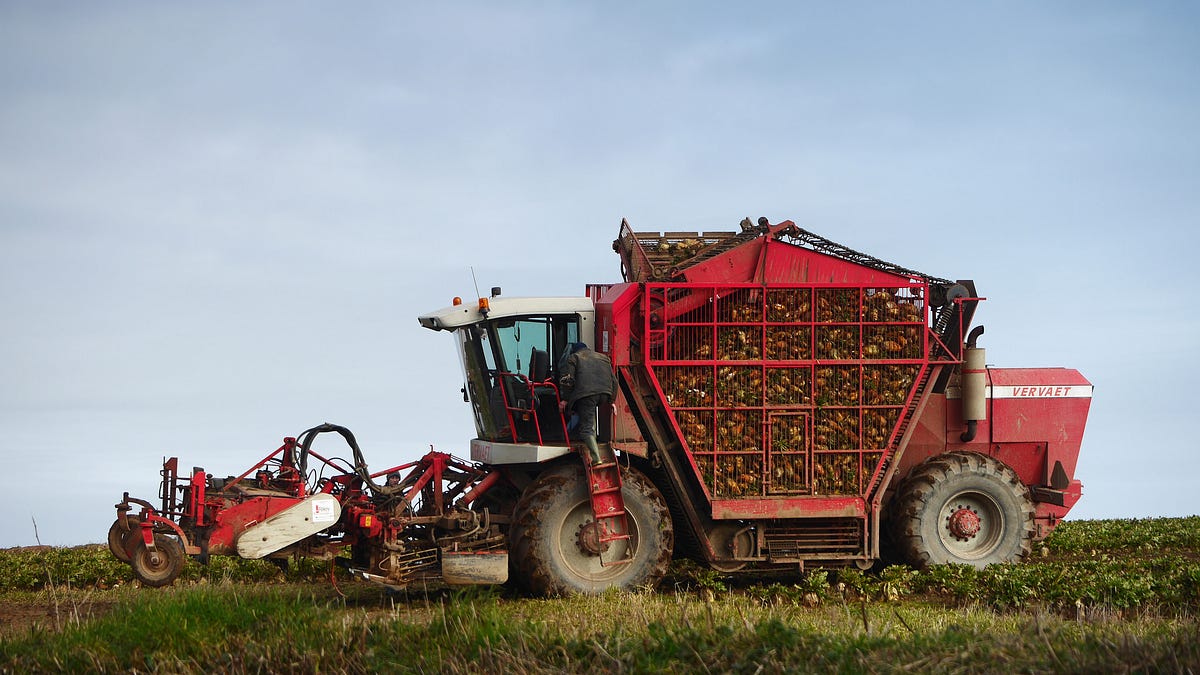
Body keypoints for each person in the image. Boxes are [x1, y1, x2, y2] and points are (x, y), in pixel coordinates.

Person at [557, 342, 618, 464]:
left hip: (587, 395)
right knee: (588, 416)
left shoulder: (574, 357)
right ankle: (588, 435)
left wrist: (565, 399)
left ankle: (596, 458)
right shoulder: (603, 358)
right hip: (605, 394)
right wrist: (612, 401)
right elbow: (614, 381)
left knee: (587, 428)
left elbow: (568, 380)